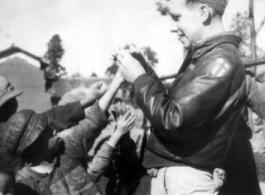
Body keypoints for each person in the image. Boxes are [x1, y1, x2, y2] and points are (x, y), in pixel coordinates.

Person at [116, 0, 259, 194]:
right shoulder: (206, 56)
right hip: (177, 175)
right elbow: (174, 105)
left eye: (177, 17)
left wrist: (139, 79)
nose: (174, 27)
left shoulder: (220, 60)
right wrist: (144, 69)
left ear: (203, 13)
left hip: (186, 178)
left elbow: (175, 118)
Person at [2, 71, 137, 195]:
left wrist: (118, 79)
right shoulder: (26, 185)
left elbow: (93, 121)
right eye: (48, 132)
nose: (56, 131)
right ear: (34, 145)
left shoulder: (67, 153)